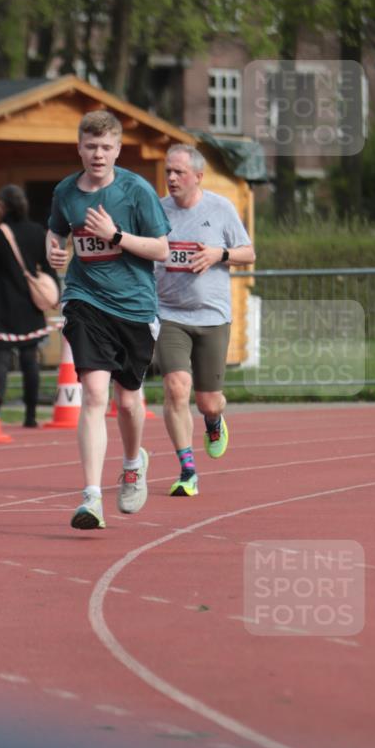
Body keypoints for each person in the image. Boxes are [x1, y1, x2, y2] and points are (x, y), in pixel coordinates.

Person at [46, 110, 171, 530]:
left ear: (117, 149)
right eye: (90, 146)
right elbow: (56, 231)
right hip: (85, 299)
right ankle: (91, 498)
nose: (98, 154)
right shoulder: (66, 191)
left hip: (134, 306)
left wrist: (115, 236)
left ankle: (134, 463)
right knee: (95, 395)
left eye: (106, 147)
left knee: (128, 400)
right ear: (79, 147)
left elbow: (161, 250)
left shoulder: (136, 191)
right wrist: (55, 251)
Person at [155, 144, 255, 497]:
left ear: (197, 176)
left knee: (208, 401)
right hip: (169, 315)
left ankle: (214, 422)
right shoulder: (157, 211)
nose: (171, 178)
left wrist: (220, 254)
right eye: (168, 171)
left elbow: (249, 253)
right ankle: (187, 469)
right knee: (176, 387)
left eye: (178, 172)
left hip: (212, 317)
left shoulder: (220, 208)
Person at [0, 184, 58, 428]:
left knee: (0, 360)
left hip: (1, 304)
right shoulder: (37, 232)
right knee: (30, 360)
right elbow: (48, 267)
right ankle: (30, 415)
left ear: (3, 206)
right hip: (30, 305)